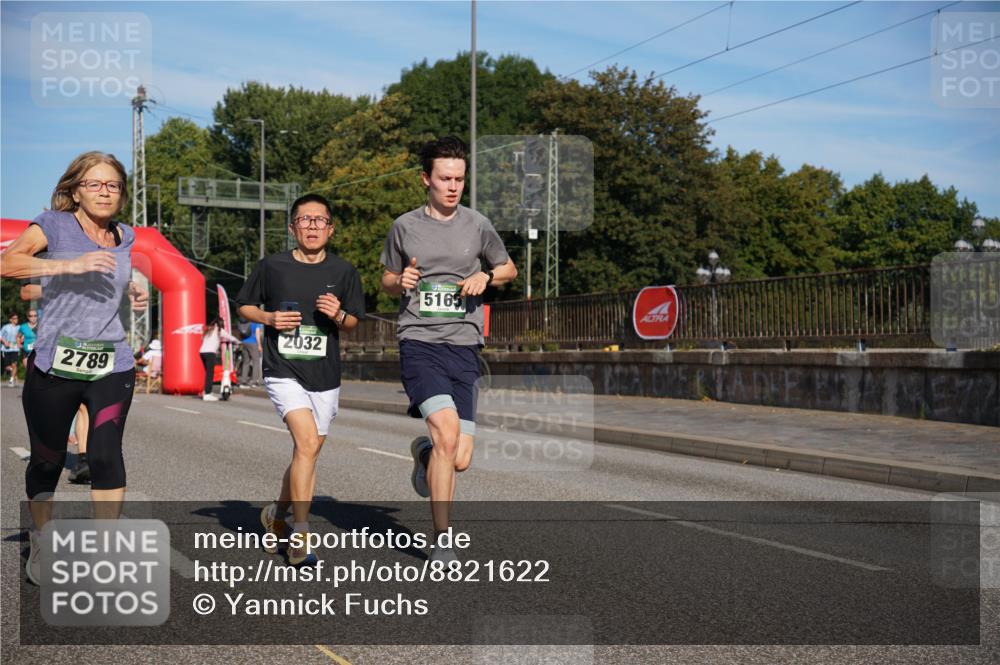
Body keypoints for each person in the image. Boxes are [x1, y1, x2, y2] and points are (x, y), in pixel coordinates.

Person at [0, 150, 148, 585]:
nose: (105, 192)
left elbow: (110, 282)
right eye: (95, 184)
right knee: (46, 462)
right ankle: (42, 538)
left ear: (122, 194)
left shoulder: (126, 236)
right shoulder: (53, 224)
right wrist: (70, 263)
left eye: (113, 185)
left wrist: (133, 291)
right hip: (54, 364)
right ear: (75, 190)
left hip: (111, 364)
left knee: (104, 455)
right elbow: (6, 263)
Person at [379, 136, 516, 564]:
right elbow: (385, 277)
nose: (453, 186)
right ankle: (442, 539)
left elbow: (509, 267)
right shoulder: (405, 226)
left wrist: (488, 278)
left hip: (464, 345)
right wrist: (398, 281)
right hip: (420, 341)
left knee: (459, 459)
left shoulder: (478, 225)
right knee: (447, 433)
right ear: (427, 179)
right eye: (444, 179)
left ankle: (424, 455)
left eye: (459, 179)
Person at [237, 193, 364, 567]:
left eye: (319, 220)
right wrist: (270, 320)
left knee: (306, 453)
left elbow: (355, 321)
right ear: (292, 227)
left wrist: (339, 315)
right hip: (283, 371)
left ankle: (275, 517)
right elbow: (244, 304)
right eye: (304, 220)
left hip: (325, 376)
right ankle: (301, 535)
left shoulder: (344, 272)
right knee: (306, 442)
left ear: (331, 228)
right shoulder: (272, 267)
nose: (312, 226)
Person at [199, 318, 240, 401]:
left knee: (208, 373)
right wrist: (238, 341)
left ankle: (206, 391)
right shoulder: (219, 330)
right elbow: (230, 337)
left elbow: (203, 339)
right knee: (210, 375)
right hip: (210, 353)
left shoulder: (208, 330)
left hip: (202, 352)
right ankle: (207, 394)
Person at [238, 318, 264, 387]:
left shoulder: (245, 321)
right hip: (253, 343)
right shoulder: (256, 321)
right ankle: (254, 382)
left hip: (244, 342)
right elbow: (257, 333)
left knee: (245, 362)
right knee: (256, 362)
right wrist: (259, 345)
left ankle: (243, 381)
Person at [1, 313, 21, 386]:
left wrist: (21, 341)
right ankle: (14, 373)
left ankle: (11, 380)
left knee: (14, 364)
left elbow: (22, 336)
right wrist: (5, 342)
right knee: (7, 367)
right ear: (10, 319)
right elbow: (0, 336)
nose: (16, 320)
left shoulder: (19, 327)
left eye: (17, 318)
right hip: (6, 349)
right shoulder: (5, 327)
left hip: (15, 349)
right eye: (14, 318)